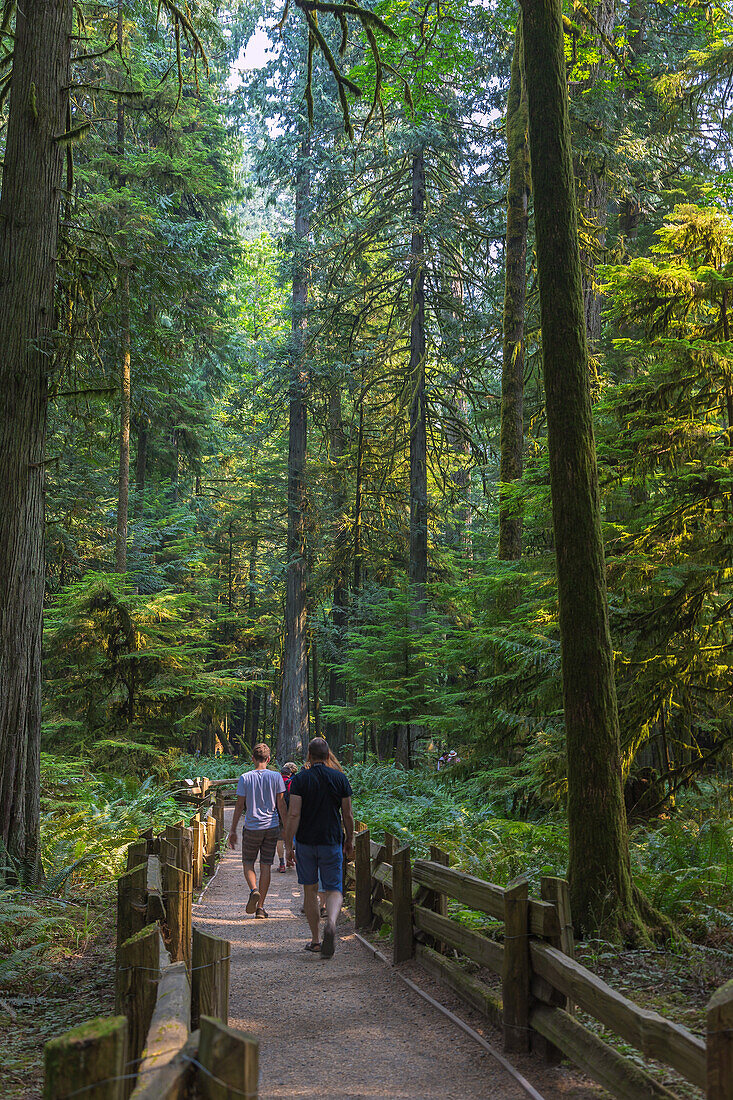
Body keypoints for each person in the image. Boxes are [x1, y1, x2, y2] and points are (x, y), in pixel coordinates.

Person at [283, 737, 354, 958]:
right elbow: (348, 814)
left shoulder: (300, 779)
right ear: (328, 755)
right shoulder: (340, 778)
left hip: (305, 842)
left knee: (310, 889)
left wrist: (288, 844)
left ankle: (315, 941)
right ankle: (331, 923)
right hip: (331, 841)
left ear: (310, 756)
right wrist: (349, 839)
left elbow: (294, 814)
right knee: (333, 889)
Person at [227, 743, 287, 919]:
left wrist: (233, 830)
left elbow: (239, 806)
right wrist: (287, 827)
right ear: (268, 759)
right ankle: (260, 908)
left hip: (252, 826)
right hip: (271, 827)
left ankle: (254, 890)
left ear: (252, 758)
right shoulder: (276, 777)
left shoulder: (245, 778)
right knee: (266, 865)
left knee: (248, 863)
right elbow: (281, 804)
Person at [276, 762, 298, 873]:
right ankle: (292, 859)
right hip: (291, 814)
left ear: (280, 773)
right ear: (289, 774)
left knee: (279, 839)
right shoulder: (293, 783)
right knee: (292, 836)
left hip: (279, 814)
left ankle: (282, 864)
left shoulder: (276, 783)